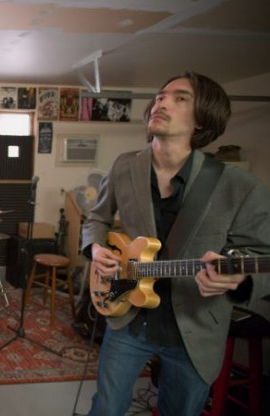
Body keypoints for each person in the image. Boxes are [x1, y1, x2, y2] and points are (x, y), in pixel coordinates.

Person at [82, 71, 270, 416]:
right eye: (160, 97)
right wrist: (96, 250)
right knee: (105, 408)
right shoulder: (125, 166)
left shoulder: (241, 186)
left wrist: (239, 280)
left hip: (196, 328)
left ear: (202, 119)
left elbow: (262, 258)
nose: (162, 102)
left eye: (180, 98)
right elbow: (97, 218)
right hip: (128, 314)